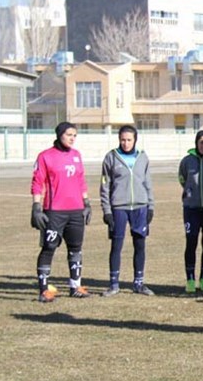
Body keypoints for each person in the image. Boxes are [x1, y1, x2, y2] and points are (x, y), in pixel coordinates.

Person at [30, 122, 92, 301]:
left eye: (75, 135)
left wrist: (86, 202)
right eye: (69, 135)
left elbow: (81, 180)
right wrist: (36, 207)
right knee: (49, 248)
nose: (72, 138)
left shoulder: (76, 155)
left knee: (75, 248)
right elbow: (37, 182)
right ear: (59, 135)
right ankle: (44, 290)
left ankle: (75, 286)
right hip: (55, 211)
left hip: (76, 211)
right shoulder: (45, 156)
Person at [100, 125, 155, 296]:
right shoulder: (111, 157)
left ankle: (138, 283)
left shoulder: (142, 157)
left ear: (135, 140)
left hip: (140, 207)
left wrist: (150, 206)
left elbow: (148, 183)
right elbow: (105, 186)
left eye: (129, 140)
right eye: (123, 140)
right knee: (116, 246)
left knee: (140, 245)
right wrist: (107, 211)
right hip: (119, 208)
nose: (126, 143)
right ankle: (114, 284)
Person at [178, 130, 203, 293]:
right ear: (196, 143)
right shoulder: (187, 160)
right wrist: (189, 191)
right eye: (202, 142)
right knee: (191, 242)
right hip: (191, 208)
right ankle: (190, 279)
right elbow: (182, 177)